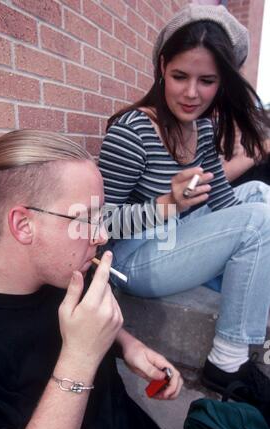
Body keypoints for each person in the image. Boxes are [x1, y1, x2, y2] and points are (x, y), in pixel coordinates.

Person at [98, 4, 270, 406]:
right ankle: (226, 362)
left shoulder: (201, 126)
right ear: (162, 67)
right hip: (133, 258)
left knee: (258, 196)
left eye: (206, 81)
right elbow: (98, 224)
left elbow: (225, 199)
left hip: (178, 236)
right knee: (258, 219)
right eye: (180, 76)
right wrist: (167, 203)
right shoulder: (132, 132)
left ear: (221, 83)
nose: (192, 93)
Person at [0, 130, 183, 429]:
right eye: (86, 219)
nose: (101, 235)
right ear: (23, 225)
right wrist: (80, 359)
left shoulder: (67, 273)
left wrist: (127, 346)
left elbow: (88, 322)